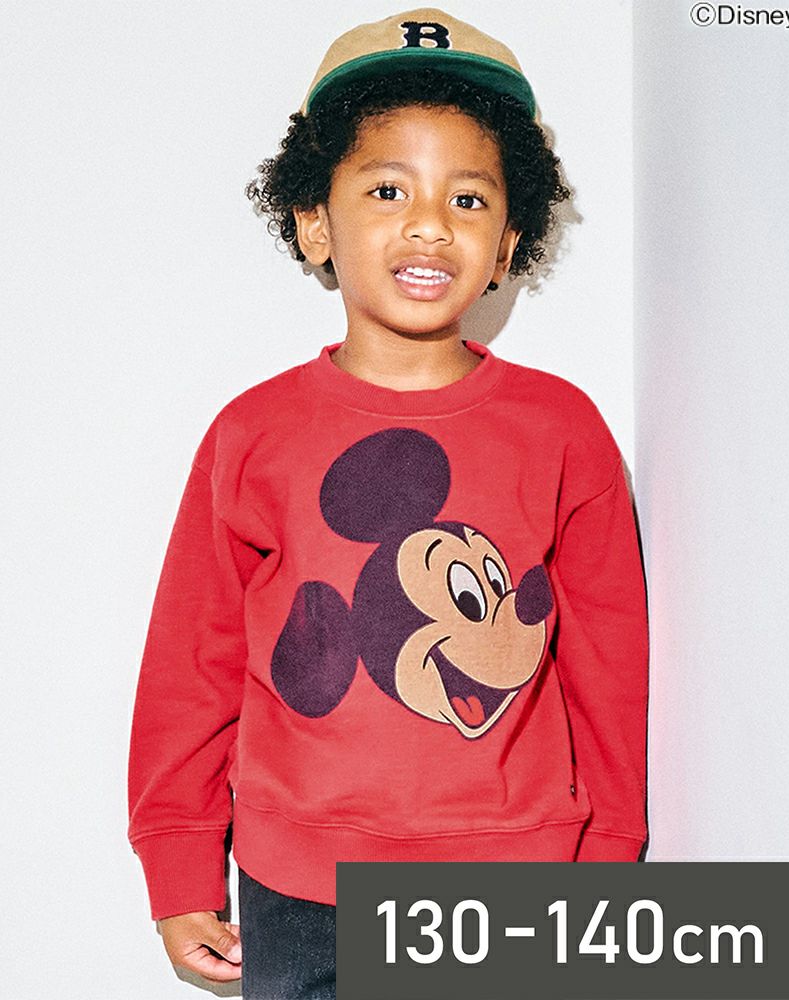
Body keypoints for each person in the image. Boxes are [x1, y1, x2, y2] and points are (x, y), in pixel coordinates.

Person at [127, 8, 649, 999]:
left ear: (507, 242)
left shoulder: (562, 430)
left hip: (516, 880)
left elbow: (608, 666)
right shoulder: (252, 433)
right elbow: (193, 661)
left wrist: (610, 854)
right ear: (313, 222)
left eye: (467, 197)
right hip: (297, 890)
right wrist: (178, 860)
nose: (429, 223)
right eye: (386, 188)